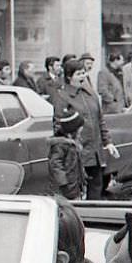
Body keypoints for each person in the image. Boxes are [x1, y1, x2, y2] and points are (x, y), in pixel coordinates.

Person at [54, 59, 119, 200]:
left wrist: (108, 142)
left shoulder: (90, 94)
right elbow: (59, 126)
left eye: (83, 73)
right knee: (78, 192)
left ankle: (95, 218)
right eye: (78, 74)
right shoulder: (62, 96)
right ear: (69, 76)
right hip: (77, 154)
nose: (83, 76)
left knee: (97, 187)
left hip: (95, 152)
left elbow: (100, 120)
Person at [48, 109, 86, 199]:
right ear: (72, 130)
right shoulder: (60, 145)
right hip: (67, 187)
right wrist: (64, 184)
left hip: (75, 184)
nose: (81, 130)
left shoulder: (73, 143)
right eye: (79, 128)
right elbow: (55, 165)